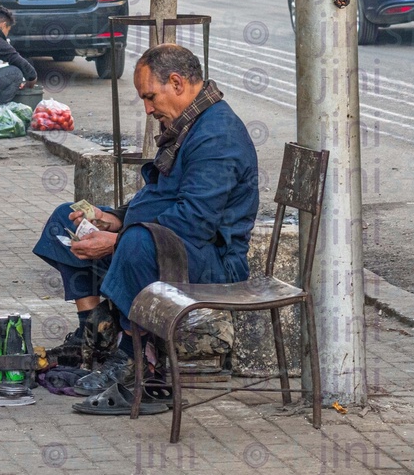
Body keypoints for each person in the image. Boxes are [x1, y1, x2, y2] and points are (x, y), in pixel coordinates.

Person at [32, 44, 258, 412]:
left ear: (177, 82)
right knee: (68, 216)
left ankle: (133, 361)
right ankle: (96, 333)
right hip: (174, 240)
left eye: (150, 97)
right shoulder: (188, 122)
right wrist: (115, 217)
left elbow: (193, 222)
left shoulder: (217, 136)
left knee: (137, 244)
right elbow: (161, 197)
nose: (149, 109)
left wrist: (118, 239)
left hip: (215, 260)